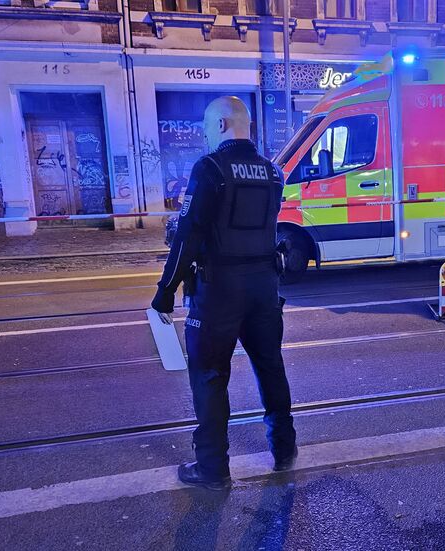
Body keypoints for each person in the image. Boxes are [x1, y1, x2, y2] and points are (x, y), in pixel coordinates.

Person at [151, 96, 297, 491]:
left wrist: (166, 290)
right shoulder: (273, 173)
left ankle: (213, 469)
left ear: (220, 126)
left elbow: (188, 235)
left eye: (205, 127)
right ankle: (285, 450)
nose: (203, 135)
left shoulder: (210, 168)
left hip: (218, 293)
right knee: (270, 366)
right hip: (264, 288)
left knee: (210, 376)